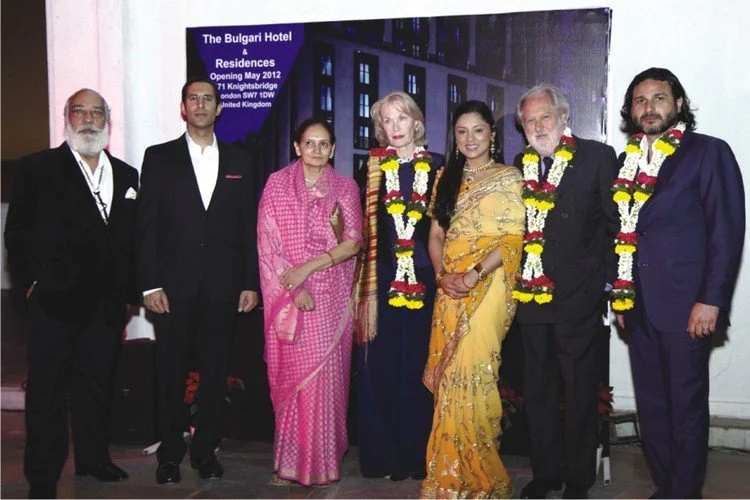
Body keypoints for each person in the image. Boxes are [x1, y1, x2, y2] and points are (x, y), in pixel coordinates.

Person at [614, 68, 745, 499]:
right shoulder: (627, 163)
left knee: (685, 407)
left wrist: (711, 300)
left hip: (688, 306)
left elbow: (726, 232)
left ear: (679, 104)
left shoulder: (708, 152)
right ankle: (666, 486)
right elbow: (624, 234)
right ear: (631, 111)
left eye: (659, 98)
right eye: (640, 100)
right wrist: (622, 296)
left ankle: (685, 493)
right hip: (638, 306)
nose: (649, 107)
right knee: (652, 407)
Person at [4, 89, 138, 498]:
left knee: (96, 386)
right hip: (55, 303)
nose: (88, 119)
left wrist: (129, 293)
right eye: (80, 111)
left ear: (108, 121)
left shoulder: (127, 175)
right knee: (47, 393)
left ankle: (94, 460)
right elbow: (17, 233)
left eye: (97, 112)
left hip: (106, 306)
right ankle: (43, 477)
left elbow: (130, 240)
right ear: (67, 117)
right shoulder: (37, 168)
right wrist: (32, 284)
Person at [136, 76, 260, 484]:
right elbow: (146, 225)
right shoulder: (159, 157)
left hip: (223, 287)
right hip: (171, 289)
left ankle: (206, 450)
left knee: (215, 372)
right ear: (183, 108)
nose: (201, 105)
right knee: (170, 372)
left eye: (208, 99)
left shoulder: (241, 161)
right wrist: (150, 284)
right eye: (194, 98)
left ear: (219, 108)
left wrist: (250, 282)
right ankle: (169, 455)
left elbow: (248, 227)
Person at [513, 84, 619, 499]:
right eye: (530, 121)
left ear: (563, 116)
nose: (538, 126)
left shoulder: (597, 157)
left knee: (579, 392)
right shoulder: (519, 165)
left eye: (545, 117)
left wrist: (605, 283)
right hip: (532, 300)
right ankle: (545, 474)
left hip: (579, 297)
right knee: (537, 392)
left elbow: (616, 226)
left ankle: (578, 478)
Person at [420, 100, 525, 498]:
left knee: (476, 371)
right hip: (449, 285)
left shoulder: (508, 177)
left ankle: (481, 475)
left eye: (478, 130)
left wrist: (473, 273)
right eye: (462, 132)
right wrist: (443, 276)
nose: (470, 139)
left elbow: (514, 239)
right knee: (451, 377)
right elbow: (435, 235)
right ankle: (451, 474)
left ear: (492, 135)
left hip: (489, 283)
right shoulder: (445, 178)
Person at [258, 118, 362, 486]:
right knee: (294, 382)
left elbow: (353, 242)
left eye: (324, 144)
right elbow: (268, 243)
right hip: (289, 295)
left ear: (332, 149)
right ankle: (289, 464)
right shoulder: (276, 185)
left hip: (331, 297)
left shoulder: (345, 187)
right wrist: (294, 287)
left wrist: (307, 269)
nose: (316, 150)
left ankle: (322, 463)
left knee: (325, 383)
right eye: (309, 143)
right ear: (297, 147)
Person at [356, 91, 442, 480]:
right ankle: (386, 458)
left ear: (416, 122)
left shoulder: (438, 165)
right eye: (386, 121)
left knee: (419, 366)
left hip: (425, 278)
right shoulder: (373, 167)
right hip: (383, 281)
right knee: (385, 367)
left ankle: (417, 457)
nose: (394, 127)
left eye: (401, 118)